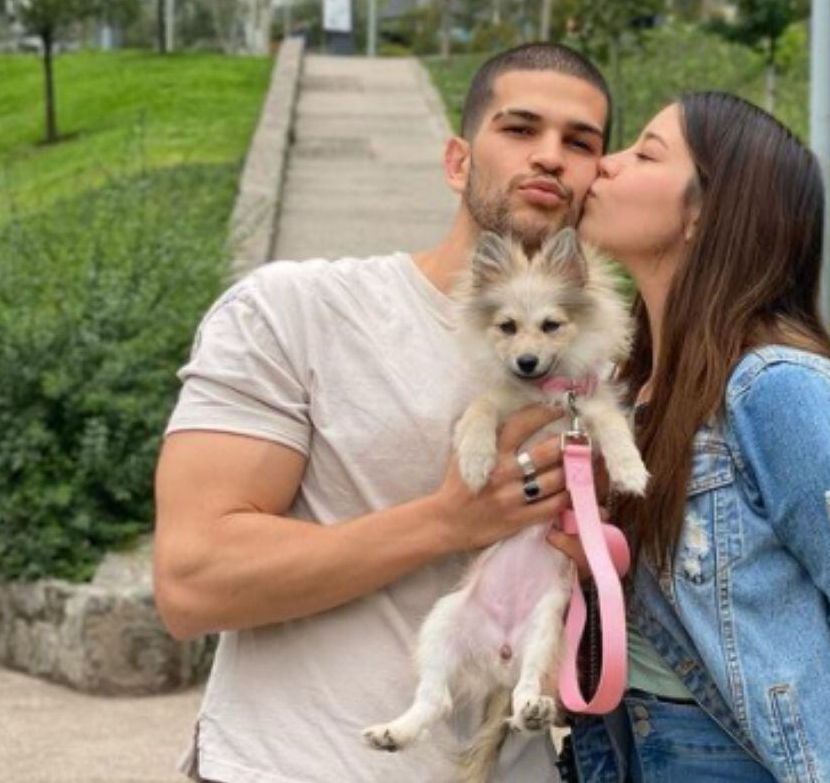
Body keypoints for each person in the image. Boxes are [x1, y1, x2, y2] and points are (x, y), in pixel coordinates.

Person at [153, 43, 612, 783]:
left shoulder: (603, 372)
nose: (552, 157)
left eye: (581, 143)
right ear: (458, 161)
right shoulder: (297, 310)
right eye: (521, 129)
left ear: (600, 179)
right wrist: (447, 521)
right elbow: (192, 581)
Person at [560, 91, 830, 782]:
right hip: (623, 744)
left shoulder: (778, 390)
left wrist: (819, 740)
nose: (606, 164)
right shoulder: (631, 389)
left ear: (705, 212)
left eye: (645, 152)